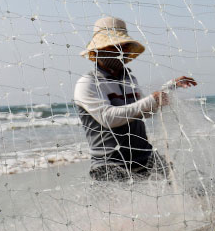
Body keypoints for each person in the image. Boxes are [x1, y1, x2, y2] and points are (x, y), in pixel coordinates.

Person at [74, 16, 197, 181]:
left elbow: (141, 113)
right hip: (110, 165)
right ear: (98, 51)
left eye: (124, 46)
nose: (121, 51)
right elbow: (108, 118)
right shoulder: (87, 82)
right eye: (114, 47)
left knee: (173, 185)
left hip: (144, 157)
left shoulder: (129, 79)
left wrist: (168, 89)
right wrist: (151, 101)